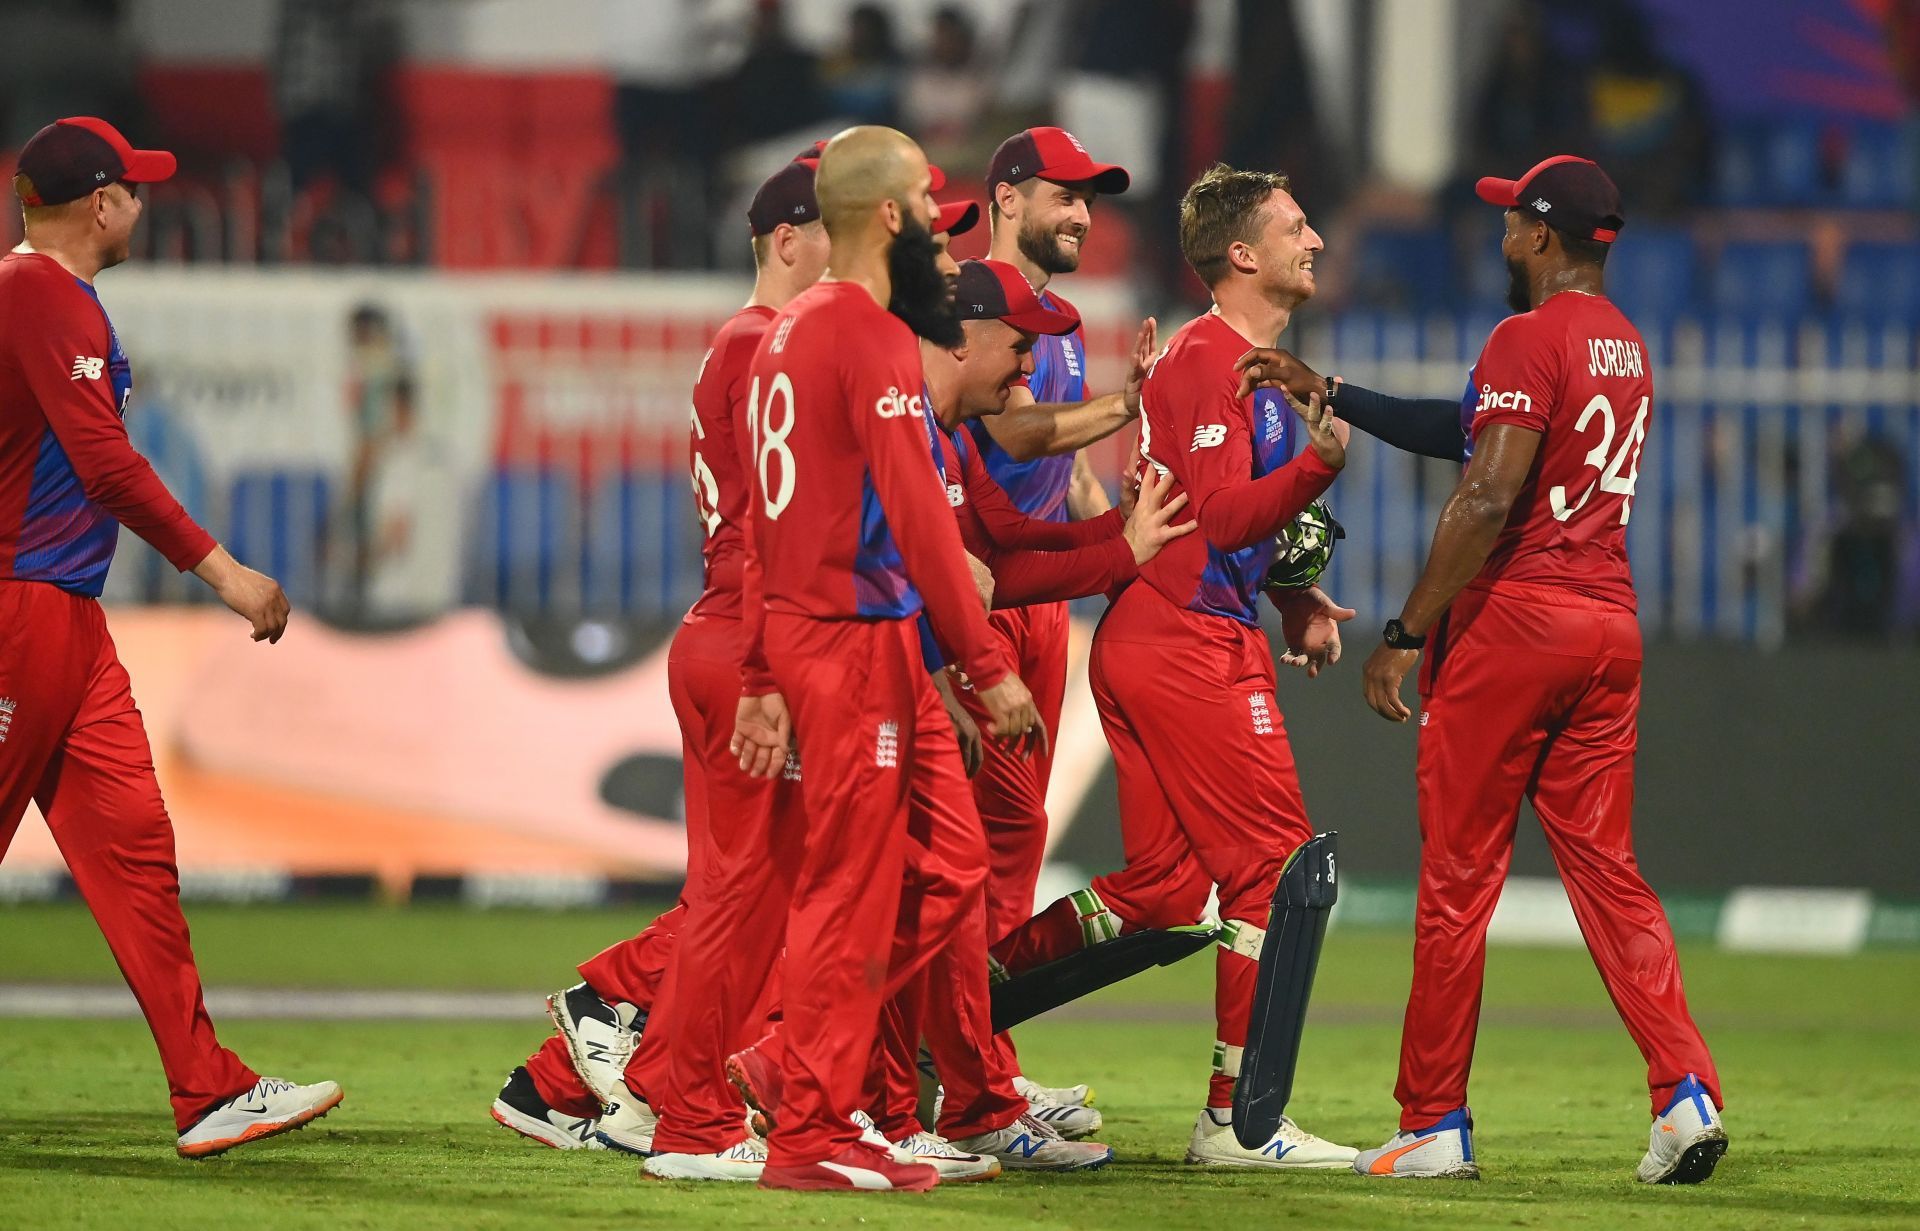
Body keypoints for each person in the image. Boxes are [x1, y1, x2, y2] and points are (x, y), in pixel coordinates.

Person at [1238, 155, 1727, 1184]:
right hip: (1610, 630)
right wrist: (1331, 390)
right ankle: (1684, 1094)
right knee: (1609, 870)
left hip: (1517, 628)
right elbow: (1462, 429)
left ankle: (1434, 1120)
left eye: (1514, 221)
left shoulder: (1525, 335)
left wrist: (1411, 629)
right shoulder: (1625, 347)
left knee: (1459, 880)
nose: (1501, 236)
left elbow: (1486, 490)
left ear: (1544, 238)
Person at [988, 163, 1356, 1169]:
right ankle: (1242, 1122)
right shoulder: (1207, 363)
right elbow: (1224, 509)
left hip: (1184, 626)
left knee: (1161, 894)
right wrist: (1324, 461)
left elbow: (1237, 527)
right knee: (1278, 872)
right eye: (1294, 224)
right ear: (1242, 255)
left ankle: (947, 1024)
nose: (1314, 238)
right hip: (1184, 638)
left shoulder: (1255, 368)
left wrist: (1293, 596)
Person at [725, 124, 1060, 1193]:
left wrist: (765, 669)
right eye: (925, 200)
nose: (935, 218)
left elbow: (768, 516)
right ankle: (816, 1122)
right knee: (848, 888)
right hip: (855, 638)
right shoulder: (863, 332)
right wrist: (983, 659)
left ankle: (804, 1073)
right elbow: (915, 508)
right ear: (887, 215)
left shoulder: (794, 332)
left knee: (949, 864)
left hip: (836, 638)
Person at [1, 116, 341, 1157]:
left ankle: (206, 1086)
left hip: (68, 620)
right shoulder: (37, 296)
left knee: (136, 849)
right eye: (135, 189)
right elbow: (105, 465)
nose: (145, 204)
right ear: (100, 203)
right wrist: (229, 575)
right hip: (19, 610)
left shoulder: (49, 299)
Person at [964, 126, 1153, 1112]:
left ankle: (974, 1067)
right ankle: (956, 1079)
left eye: (1091, 198)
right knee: (968, 849)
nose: (1082, 213)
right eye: (1064, 195)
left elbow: (1065, 470)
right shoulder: (972, 308)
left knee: (1014, 844)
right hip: (978, 603)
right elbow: (1013, 430)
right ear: (1006, 198)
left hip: (1039, 609)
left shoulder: (1065, 321)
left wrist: (1128, 563)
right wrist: (1131, 405)